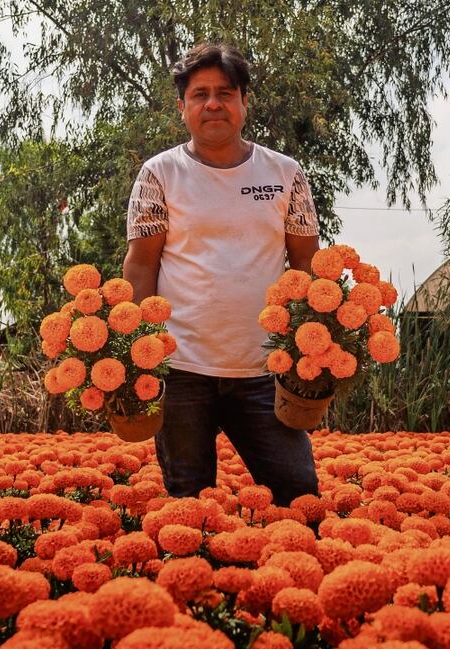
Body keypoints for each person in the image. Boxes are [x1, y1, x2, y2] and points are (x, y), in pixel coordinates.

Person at [122, 42, 321, 507]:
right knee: (188, 502)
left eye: (225, 93)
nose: (213, 103)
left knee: (298, 493)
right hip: (181, 370)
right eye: (200, 94)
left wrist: (312, 349)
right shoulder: (160, 174)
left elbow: (308, 266)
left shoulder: (285, 174)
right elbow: (141, 265)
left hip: (264, 371)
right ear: (182, 107)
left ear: (244, 102)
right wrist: (138, 355)